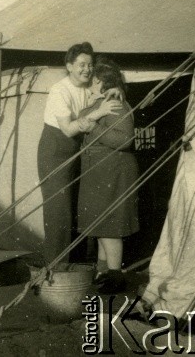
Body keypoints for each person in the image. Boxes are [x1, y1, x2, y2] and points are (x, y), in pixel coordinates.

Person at [37, 42, 122, 264]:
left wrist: (116, 89)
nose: (87, 69)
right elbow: (67, 129)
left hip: (79, 149)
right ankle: (56, 268)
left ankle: (79, 266)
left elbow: (108, 87)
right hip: (56, 150)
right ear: (69, 66)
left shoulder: (89, 86)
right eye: (81, 65)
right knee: (59, 211)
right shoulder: (59, 90)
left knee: (80, 207)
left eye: (90, 65)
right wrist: (99, 113)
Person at [77, 56, 139, 294]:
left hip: (112, 169)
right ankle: (104, 272)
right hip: (98, 169)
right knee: (101, 224)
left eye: (93, 80)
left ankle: (115, 276)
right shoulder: (102, 101)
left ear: (101, 81)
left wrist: (94, 127)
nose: (89, 83)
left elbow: (125, 140)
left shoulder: (115, 104)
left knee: (109, 225)